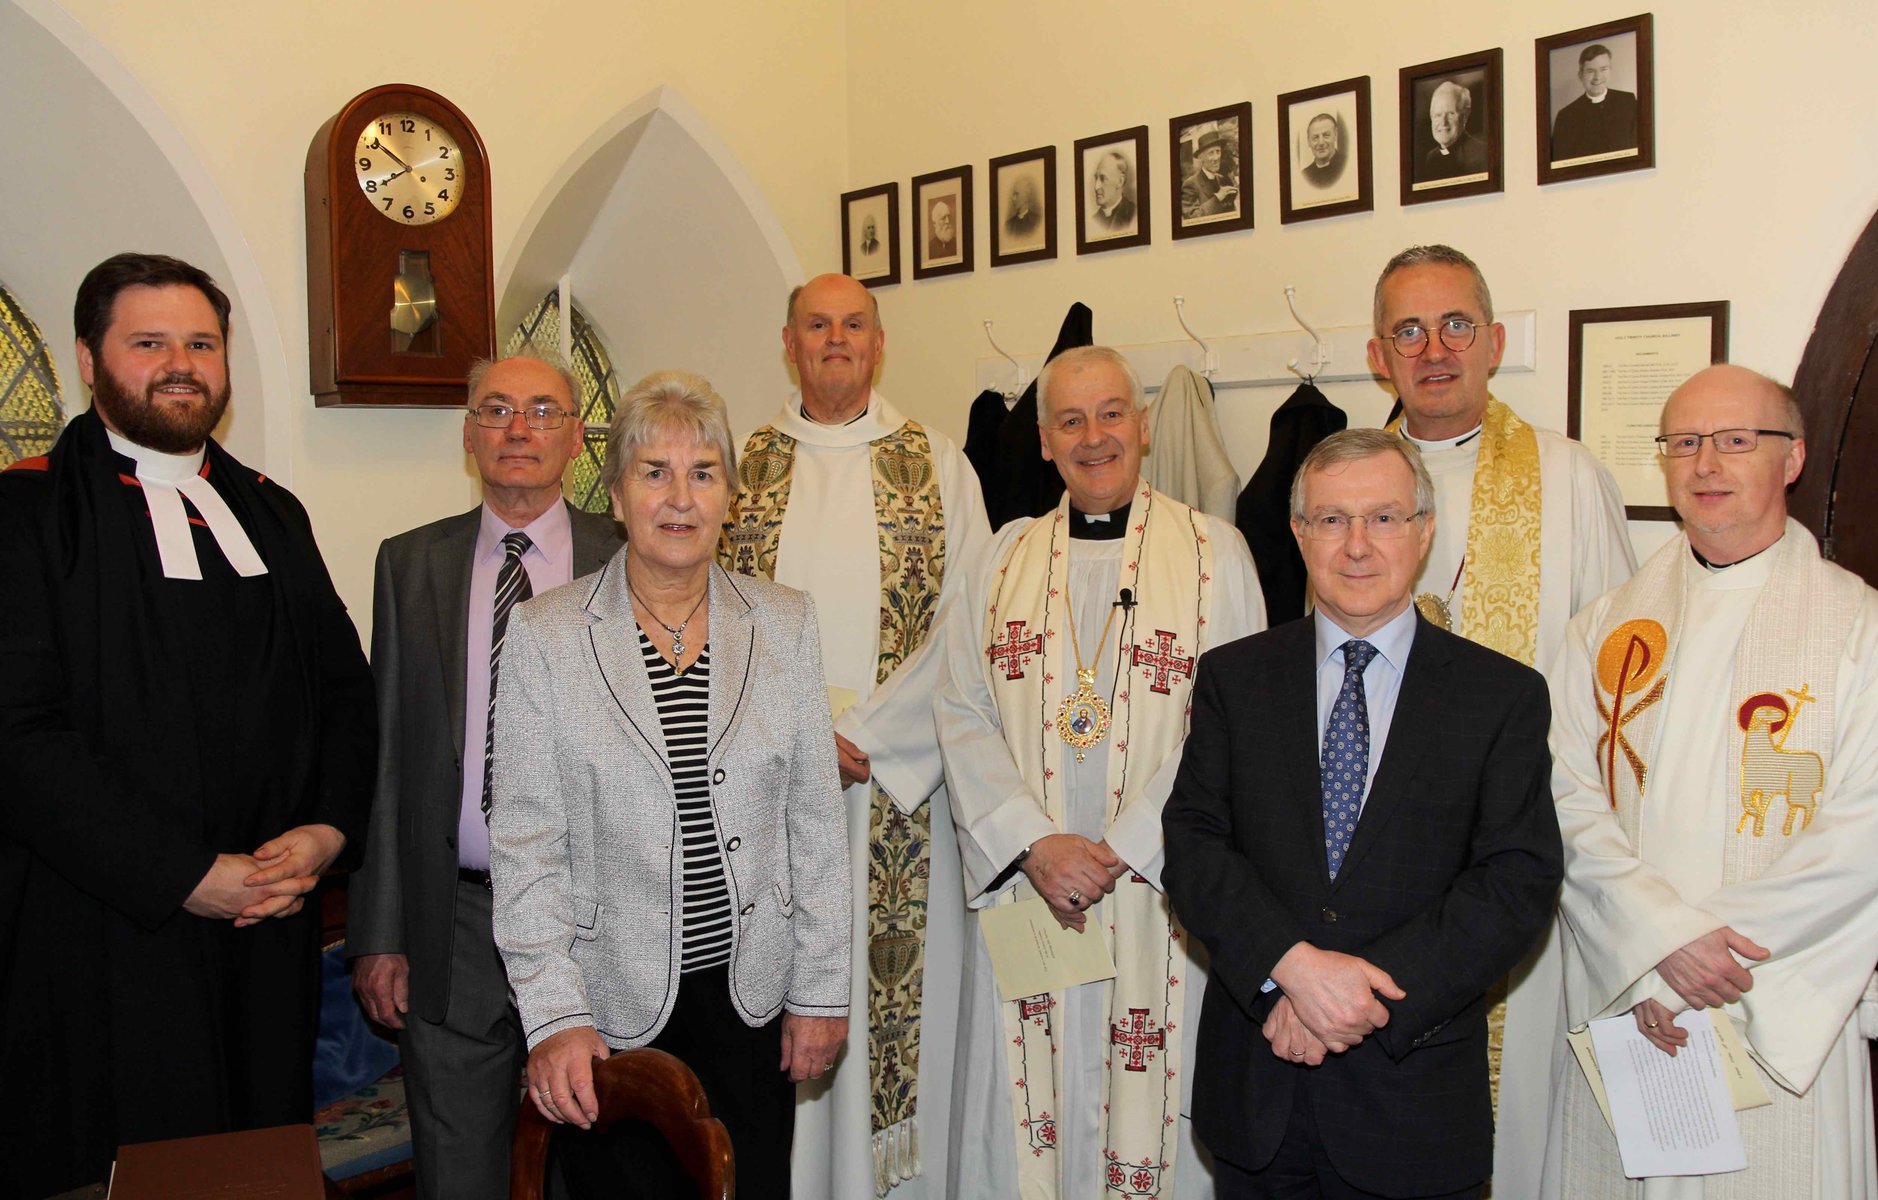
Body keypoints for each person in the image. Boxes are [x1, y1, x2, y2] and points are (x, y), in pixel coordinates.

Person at [0, 252, 377, 1196]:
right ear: (89, 360)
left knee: (257, 1168)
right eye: (150, 342)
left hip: (268, 921)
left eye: (201, 343)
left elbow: (344, 692)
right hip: (101, 936)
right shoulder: (26, 512)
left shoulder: (272, 511)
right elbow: (18, 736)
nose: (181, 363)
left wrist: (327, 829)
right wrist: (184, 876)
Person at [1164, 428, 1562, 1199]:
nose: (1356, 546)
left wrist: (1352, 999)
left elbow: (1517, 882)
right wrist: (1292, 971)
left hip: (1411, 1104)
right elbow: (1194, 846)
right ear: (1298, 532)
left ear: (1423, 530)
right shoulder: (1233, 681)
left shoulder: (1500, 697)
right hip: (1257, 1100)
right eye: (1331, 519)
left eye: (1383, 518)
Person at [490, 370, 849, 1200]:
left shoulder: (784, 622)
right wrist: (553, 1016)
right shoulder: (547, 636)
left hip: (752, 1006)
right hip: (607, 1017)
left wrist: (822, 990)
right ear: (615, 495)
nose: (679, 497)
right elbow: (526, 843)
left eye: (703, 472)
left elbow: (814, 823)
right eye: (653, 472)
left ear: (731, 495)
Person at [936, 344, 1266, 1199]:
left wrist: (1119, 847)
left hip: (1158, 893)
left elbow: (1233, 729)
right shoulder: (999, 559)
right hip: (1027, 890)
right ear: (1043, 440)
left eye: (1111, 413)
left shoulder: (1214, 555)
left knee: (1147, 1110)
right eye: (1071, 420)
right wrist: (1034, 843)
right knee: (1024, 1126)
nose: (1094, 438)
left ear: (1144, 424)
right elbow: (961, 710)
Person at [1547, 365, 1878, 1198]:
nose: (1706, 465)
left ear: (1793, 458)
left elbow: (1864, 831)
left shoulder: (1859, 626)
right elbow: (1561, 801)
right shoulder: (1604, 629)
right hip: (1627, 1000)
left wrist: (1697, 959)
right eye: (1685, 443)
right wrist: (1654, 947)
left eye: (1737, 441)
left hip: (1769, 998)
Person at [1365, 242, 1634, 1196]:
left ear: (1494, 342)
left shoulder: (1568, 479)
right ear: (1377, 356)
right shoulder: (1344, 487)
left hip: (1517, 853)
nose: (1433, 349)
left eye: (1455, 326)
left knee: (1518, 1124)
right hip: (1371, 867)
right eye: (1408, 329)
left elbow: (1620, 696)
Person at [721, 272, 990, 1198]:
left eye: (854, 325)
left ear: (880, 345)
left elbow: (970, 620)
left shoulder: (939, 463)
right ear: (787, 343)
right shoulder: (738, 466)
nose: (836, 340)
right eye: (816, 325)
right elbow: (702, 613)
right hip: (764, 786)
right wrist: (795, 734)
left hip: (893, 786)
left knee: (888, 1016)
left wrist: (868, 735)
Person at [347, 352, 621, 1200]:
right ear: (468, 434)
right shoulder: (410, 564)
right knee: (457, 1171)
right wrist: (380, 931)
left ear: (576, 435)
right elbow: (386, 757)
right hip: (454, 920)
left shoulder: (628, 556)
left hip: (595, 920)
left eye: (542, 411)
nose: (518, 428)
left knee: (598, 1163)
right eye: (496, 410)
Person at [1550, 42, 1640, 162]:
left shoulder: (1628, 101)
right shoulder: (1565, 116)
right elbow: (1560, 165)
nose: (1598, 77)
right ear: (1580, 75)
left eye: (1603, 69)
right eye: (1590, 71)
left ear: (1610, 70)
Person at [1421, 80, 1488, 181]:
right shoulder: (1430, 158)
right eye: (1437, 115)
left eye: (1451, 114)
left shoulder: (1482, 154)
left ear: (1465, 116)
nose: (1443, 122)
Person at [1182, 128, 1240, 220]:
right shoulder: (1190, 184)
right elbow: (1191, 218)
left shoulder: (1222, 179)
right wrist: (1217, 198)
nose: (1216, 157)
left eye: (1218, 151)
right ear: (1201, 158)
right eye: (1211, 153)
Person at [1090, 149, 1137, 233]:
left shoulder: (1134, 214)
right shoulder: (1093, 220)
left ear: (1120, 181)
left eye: (1103, 178)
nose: (1096, 187)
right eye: (1096, 178)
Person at [1300, 113, 1346, 189]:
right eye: (1315, 137)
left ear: (1335, 135)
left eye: (1326, 135)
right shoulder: (1305, 175)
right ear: (1308, 141)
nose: (1321, 142)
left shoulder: (1348, 165)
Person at [1004, 174, 1042, 239]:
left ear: (1025, 196)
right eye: (1013, 195)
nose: (1013, 199)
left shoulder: (1038, 221)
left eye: (1017, 194)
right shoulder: (1008, 225)